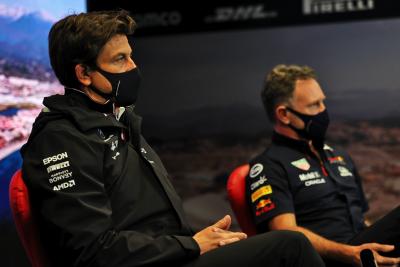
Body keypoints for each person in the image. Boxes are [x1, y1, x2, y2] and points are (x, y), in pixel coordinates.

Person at [20, 11, 324, 267]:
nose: (133, 67)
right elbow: (92, 249)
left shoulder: (116, 121)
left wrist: (197, 241)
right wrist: (190, 246)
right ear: (84, 74)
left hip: (170, 254)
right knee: (291, 248)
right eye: (120, 59)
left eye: (131, 56)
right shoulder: (61, 139)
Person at [245, 64, 400, 267]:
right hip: (325, 260)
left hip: (362, 251)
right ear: (284, 114)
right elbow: (285, 233)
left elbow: (361, 218)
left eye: (322, 102)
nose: (323, 111)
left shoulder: (339, 156)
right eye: (314, 105)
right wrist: (349, 253)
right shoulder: (268, 166)